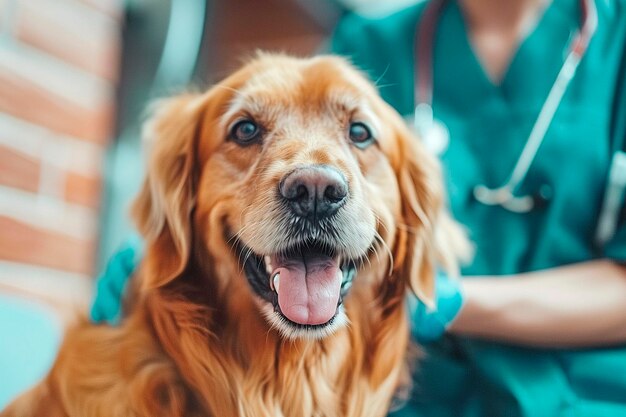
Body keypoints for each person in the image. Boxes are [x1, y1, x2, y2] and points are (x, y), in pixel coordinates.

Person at [92, 0, 626, 415]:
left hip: (584, 392)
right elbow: (296, 109)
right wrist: (166, 239)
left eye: (358, 133)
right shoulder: (368, 41)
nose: (315, 182)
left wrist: (441, 299)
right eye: (247, 130)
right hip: (406, 397)